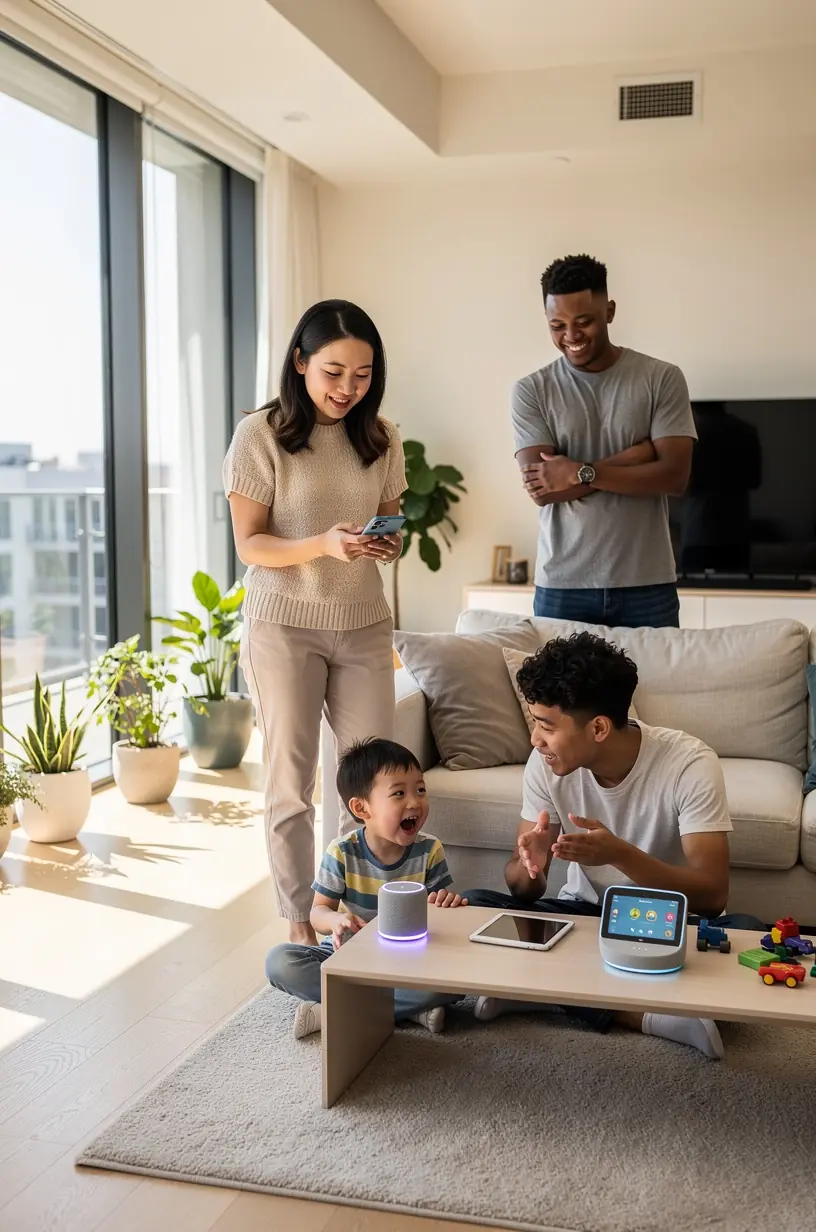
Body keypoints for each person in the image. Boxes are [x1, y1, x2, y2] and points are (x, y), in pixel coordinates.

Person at [463, 632, 768, 1060]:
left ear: (599, 727)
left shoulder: (689, 764)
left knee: (748, 935)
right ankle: (647, 1013)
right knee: (474, 909)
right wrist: (530, 866)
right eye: (534, 722)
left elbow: (713, 896)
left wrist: (620, 855)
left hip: (668, 922)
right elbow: (524, 893)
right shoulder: (546, 764)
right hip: (586, 918)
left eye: (546, 725)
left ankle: (541, 992)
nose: (535, 739)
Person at [224, 300, 405, 946]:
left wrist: (384, 545)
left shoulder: (381, 437)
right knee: (292, 783)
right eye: (333, 372)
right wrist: (321, 545)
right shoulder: (260, 435)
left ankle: (358, 921)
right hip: (284, 625)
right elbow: (251, 545)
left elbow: (390, 527)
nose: (347, 389)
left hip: (361, 623)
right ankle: (301, 925)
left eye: (361, 375)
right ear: (299, 362)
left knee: (370, 787)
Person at [511, 254, 697, 628]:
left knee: (657, 688)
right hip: (563, 586)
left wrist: (578, 472)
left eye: (584, 322)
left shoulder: (661, 378)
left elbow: (674, 478)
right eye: (557, 325)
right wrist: (637, 456)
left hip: (648, 583)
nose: (571, 337)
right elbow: (543, 490)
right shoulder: (531, 390)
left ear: (609, 311)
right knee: (557, 689)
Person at [265, 738, 467, 1038]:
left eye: (420, 790)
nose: (414, 802)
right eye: (399, 793)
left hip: (409, 959)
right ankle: (406, 1010)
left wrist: (445, 903)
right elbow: (319, 912)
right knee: (279, 961)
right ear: (362, 808)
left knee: (456, 981)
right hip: (352, 955)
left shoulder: (430, 850)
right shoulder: (342, 852)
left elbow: (441, 915)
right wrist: (335, 920)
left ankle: (336, 1011)